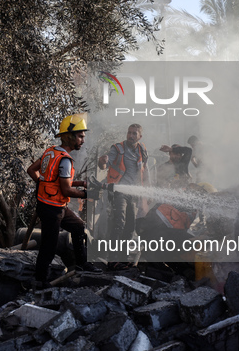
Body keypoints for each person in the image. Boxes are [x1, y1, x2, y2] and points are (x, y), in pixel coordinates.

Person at [27, 113, 100, 287]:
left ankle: (82, 264)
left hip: (51, 204)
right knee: (49, 247)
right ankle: (40, 281)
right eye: (80, 136)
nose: (83, 140)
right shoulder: (65, 160)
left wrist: (45, 185)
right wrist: (86, 194)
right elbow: (66, 189)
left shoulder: (51, 152)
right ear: (70, 136)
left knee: (78, 226)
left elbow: (32, 171)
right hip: (53, 208)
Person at [98, 123, 148, 269]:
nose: (131, 136)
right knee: (119, 222)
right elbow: (104, 164)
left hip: (133, 193)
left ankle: (123, 258)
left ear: (140, 136)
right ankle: (113, 260)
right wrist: (102, 162)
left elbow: (144, 171)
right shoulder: (117, 148)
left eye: (134, 133)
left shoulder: (142, 149)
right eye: (129, 133)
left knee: (130, 227)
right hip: (119, 191)